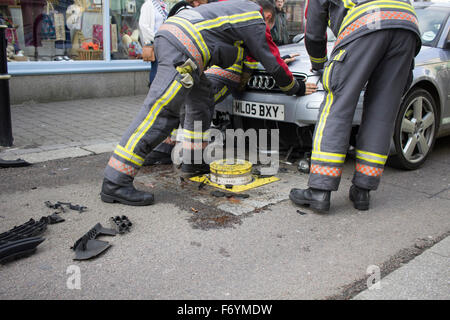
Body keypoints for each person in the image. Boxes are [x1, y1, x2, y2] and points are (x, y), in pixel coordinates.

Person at [100, 0, 315, 206]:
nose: (268, 30)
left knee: (201, 98)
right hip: (183, 50)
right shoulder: (255, 19)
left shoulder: (236, 10)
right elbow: (272, 60)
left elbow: (240, 51)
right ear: (268, 15)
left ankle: (193, 161)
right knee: (161, 113)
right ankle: (116, 181)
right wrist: (296, 87)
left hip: (178, 42)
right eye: (270, 25)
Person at [289, 0, 421, 212]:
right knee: (382, 112)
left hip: (366, 20)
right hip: (407, 25)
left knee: (337, 106)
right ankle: (362, 191)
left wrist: (319, 65)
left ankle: (319, 191)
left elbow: (314, 31)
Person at [139, 0, 168, 86]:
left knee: (162, 69)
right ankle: (153, 92)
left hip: (164, 42)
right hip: (155, 42)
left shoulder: (163, 6)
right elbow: (143, 25)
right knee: (156, 68)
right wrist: (155, 37)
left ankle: (159, 92)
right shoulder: (148, 5)